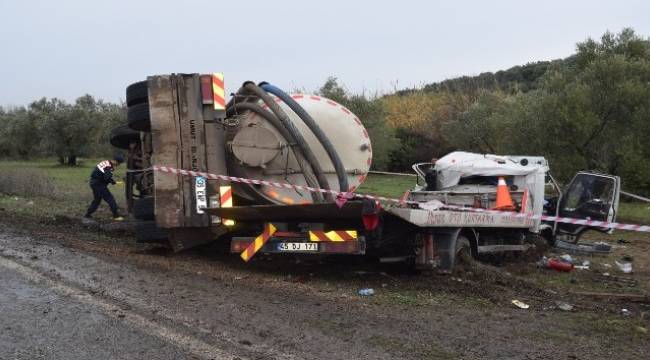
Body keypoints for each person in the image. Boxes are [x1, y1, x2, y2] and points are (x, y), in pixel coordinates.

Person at [84, 155, 125, 221]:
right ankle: (116, 216)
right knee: (110, 198)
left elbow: (104, 175)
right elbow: (107, 177)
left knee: (97, 200)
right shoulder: (108, 167)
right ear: (114, 161)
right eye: (119, 163)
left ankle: (87, 215)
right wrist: (112, 181)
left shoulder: (106, 162)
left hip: (94, 183)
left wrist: (113, 182)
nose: (119, 165)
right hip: (98, 184)